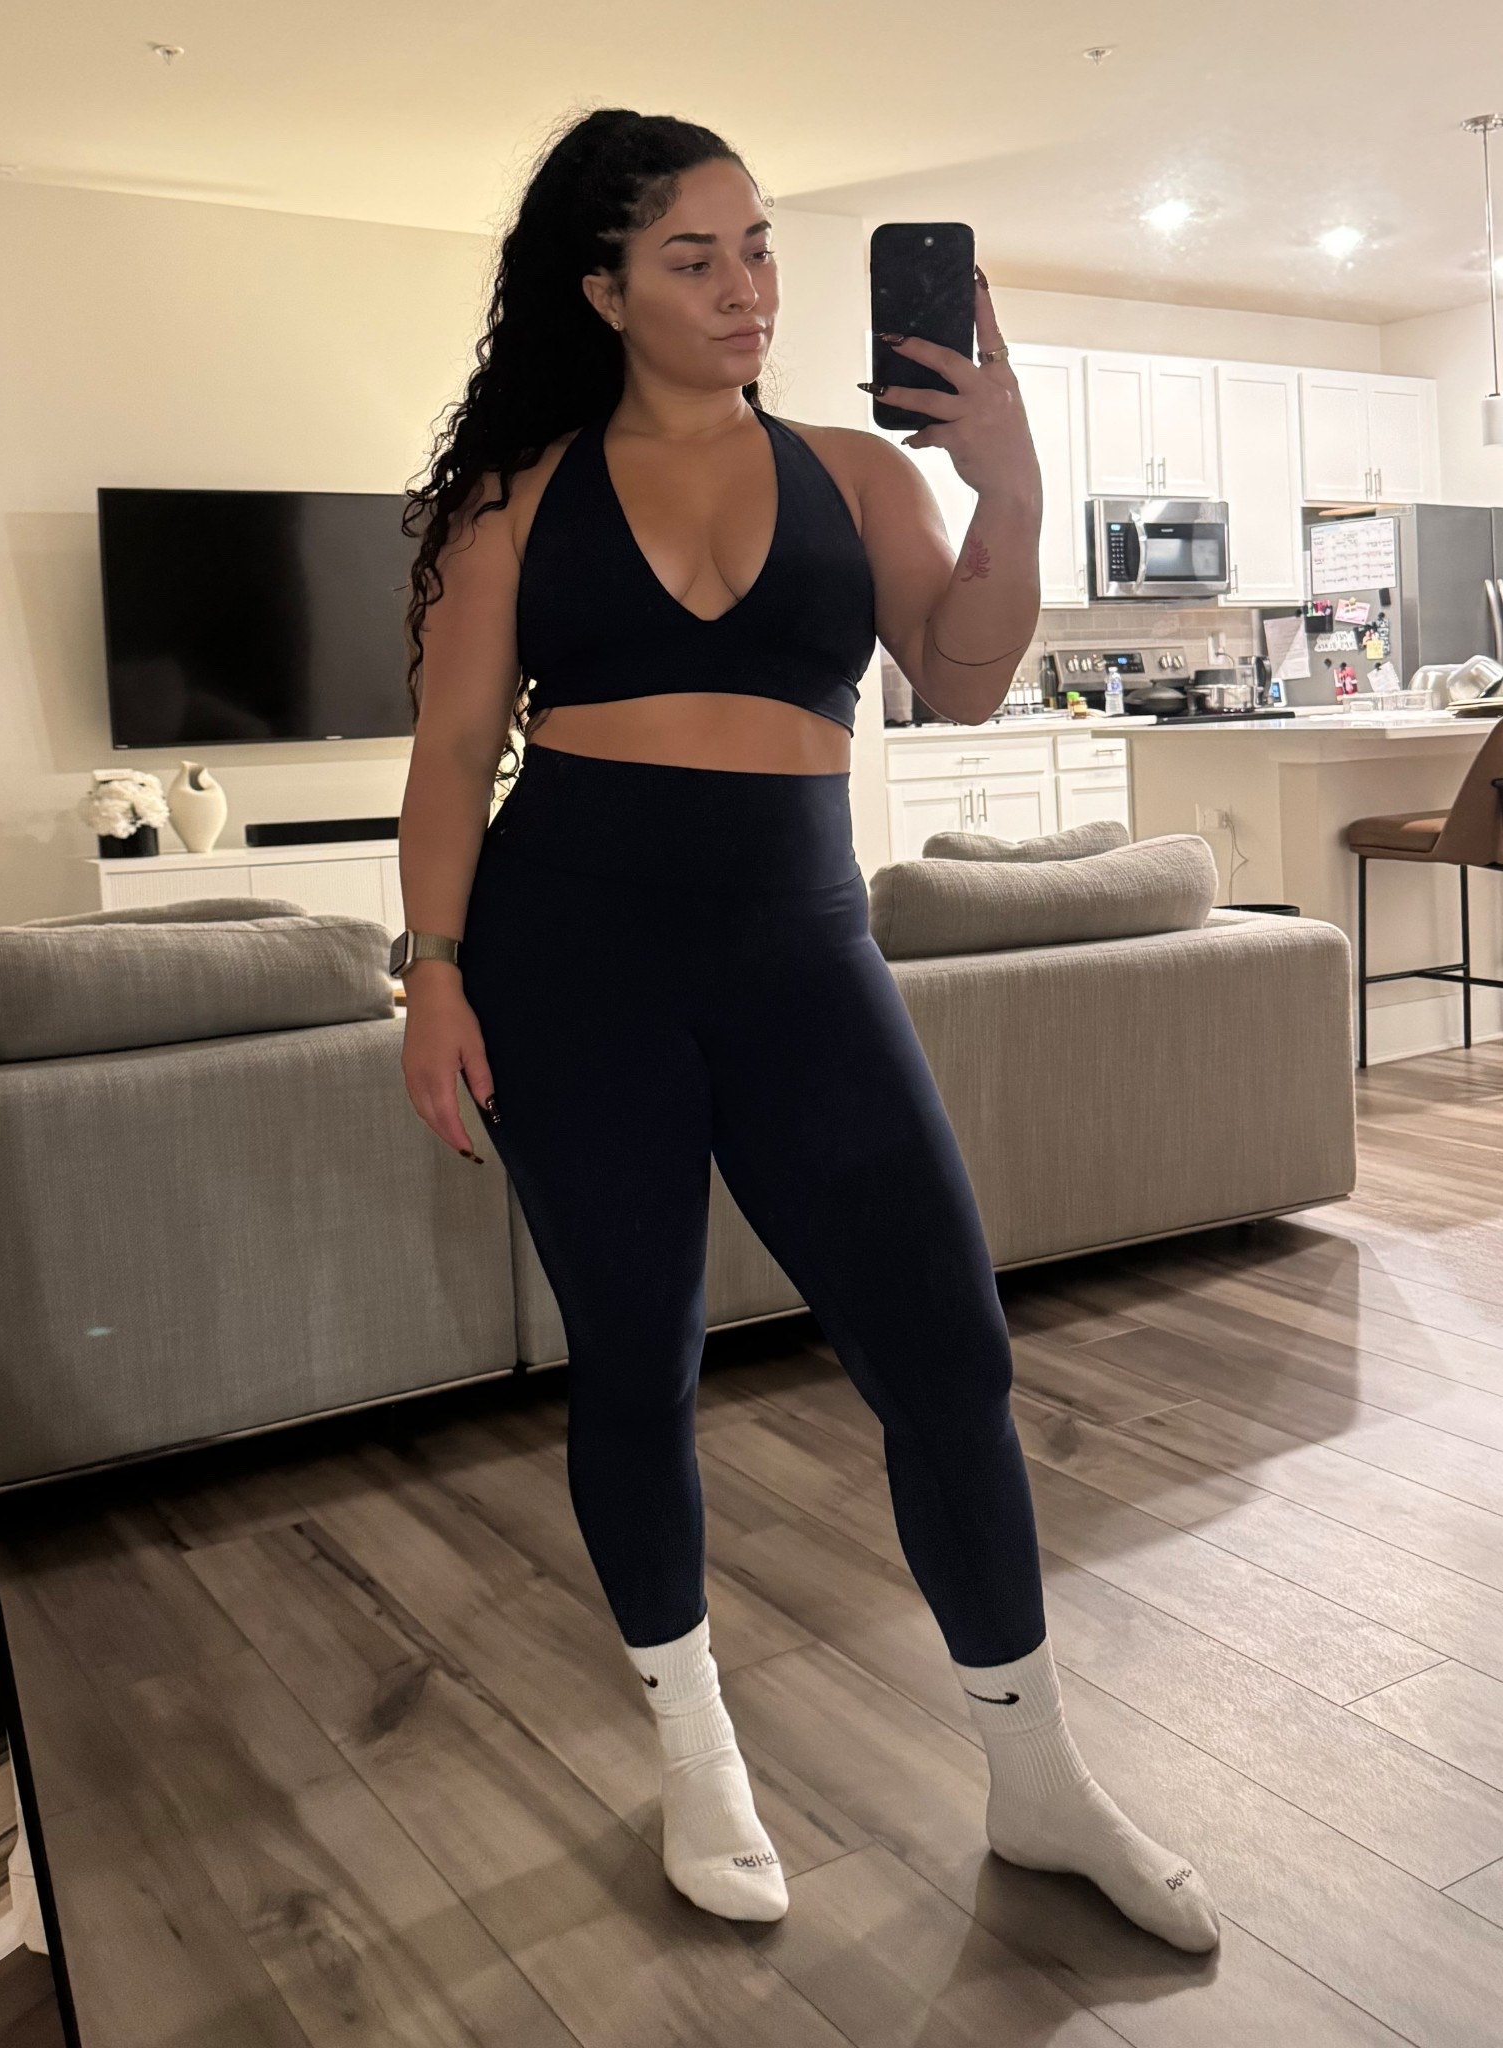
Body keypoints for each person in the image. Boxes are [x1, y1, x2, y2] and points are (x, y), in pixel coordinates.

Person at [395, 106, 1219, 1953]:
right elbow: (451, 752)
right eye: (692, 259)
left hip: (798, 952)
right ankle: (699, 1758)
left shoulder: (858, 477)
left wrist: (1009, 482)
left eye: (758, 246)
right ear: (603, 290)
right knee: (639, 1361)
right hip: (566, 958)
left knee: (948, 1353)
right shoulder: (515, 498)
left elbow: (966, 679)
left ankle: (1038, 1783)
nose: (745, 287)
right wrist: (431, 968)